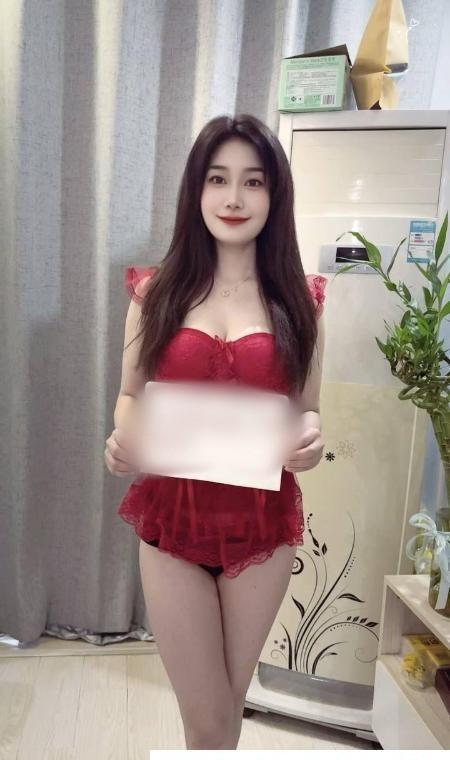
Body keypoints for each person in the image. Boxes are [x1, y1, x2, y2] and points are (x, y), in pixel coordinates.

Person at [104, 113, 326, 750]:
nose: (234, 198)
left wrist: (309, 440)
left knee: (225, 710)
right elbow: (130, 395)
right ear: (196, 190)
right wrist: (125, 440)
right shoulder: (155, 293)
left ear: (274, 196)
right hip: (172, 523)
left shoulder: (302, 301)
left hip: (262, 526)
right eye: (218, 179)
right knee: (206, 717)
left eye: (253, 182)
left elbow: (307, 408)